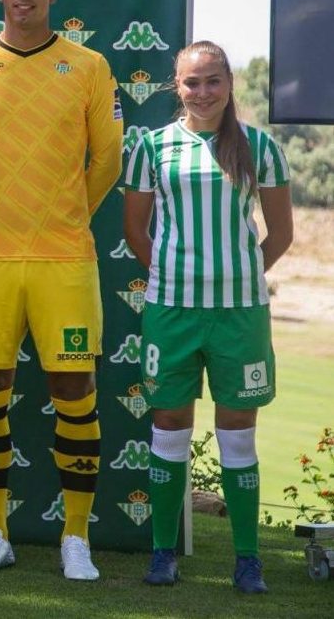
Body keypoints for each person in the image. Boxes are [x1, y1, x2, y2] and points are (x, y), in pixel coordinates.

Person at [0, 0, 123, 580]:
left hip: (65, 258)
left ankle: (76, 538)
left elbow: (107, 161)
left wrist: (68, 209)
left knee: (75, 390)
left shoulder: (91, 65)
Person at [123, 41, 292, 594]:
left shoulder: (260, 147)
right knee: (169, 428)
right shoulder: (153, 146)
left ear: (229, 84)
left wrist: (240, 276)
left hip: (240, 316)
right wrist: (176, 279)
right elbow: (135, 232)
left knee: (237, 435)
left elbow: (282, 233)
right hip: (171, 313)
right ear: (177, 86)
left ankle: (248, 561)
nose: (202, 92)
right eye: (191, 83)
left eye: (212, 81)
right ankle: (163, 553)